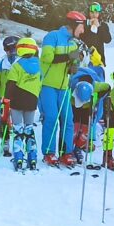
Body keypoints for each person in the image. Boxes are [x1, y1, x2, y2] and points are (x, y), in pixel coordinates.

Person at [38, 10, 86, 167]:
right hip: (47, 85)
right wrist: (68, 57)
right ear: (74, 25)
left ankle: (66, 152)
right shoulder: (53, 36)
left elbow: (72, 66)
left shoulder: (73, 43)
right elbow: (47, 57)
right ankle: (49, 152)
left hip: (64, 87)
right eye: (82, 27)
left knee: (68, 119)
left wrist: (75, 64)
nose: (83, 30)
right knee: (51, 117)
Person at [3, 37, 42, 171]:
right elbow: (41, 80)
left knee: (18, 129)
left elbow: (11, 84)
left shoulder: (17, 65)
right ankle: (32, 157)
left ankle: (18, 157)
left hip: (17, 100)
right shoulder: (39, 65)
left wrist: (6, 98)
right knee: (29, 129)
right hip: (32, 101)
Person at [68, 65, 111, 165]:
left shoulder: (96, 86)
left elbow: (108, 87)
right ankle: (69, 149)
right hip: (74, 104)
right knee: (74, 125)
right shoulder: (72, 83)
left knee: (85, 125)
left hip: (88, 105)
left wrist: (99, 97)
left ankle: (79, 147)